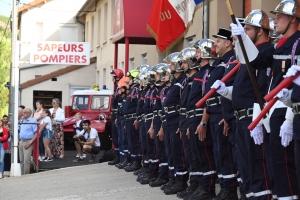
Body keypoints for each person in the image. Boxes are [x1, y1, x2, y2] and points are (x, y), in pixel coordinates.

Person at [231, 1, 300, 198]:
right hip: (272, 113)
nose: (275, 20)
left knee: (286, 167)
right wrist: (242, 39)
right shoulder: (278, 45)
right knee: (276, 167)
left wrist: (288, 117)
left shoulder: (297, 43)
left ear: (293, 19)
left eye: (280, 16)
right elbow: (256, 61)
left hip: (287, 111)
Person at [108, 68, 124, 165]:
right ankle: (117, 155)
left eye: (113, 77)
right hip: (114, 114)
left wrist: (117, 116)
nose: (112, 79)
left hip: (118, 115)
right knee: (115, 136)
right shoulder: (116, 88)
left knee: (119, 137)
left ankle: (120, 157)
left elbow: (120, 104)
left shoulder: (120, 88)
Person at [19, 108, 38, 175]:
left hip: (28, 141)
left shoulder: (33, 121)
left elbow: (36, 133)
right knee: (21, 160)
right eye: (23, 112)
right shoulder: (22, 120)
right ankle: (22, 174)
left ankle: (25, 175)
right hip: (21, 141)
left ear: (29, 113)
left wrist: (30, 142)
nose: (23, 113)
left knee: (26, 160)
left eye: (24, 112)